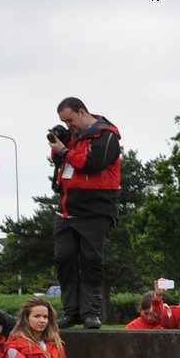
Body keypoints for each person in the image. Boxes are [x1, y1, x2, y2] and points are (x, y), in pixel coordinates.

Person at [49, 96, 122, 330]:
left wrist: (64, 151)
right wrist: (59, 148)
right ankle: (71, 312)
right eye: (64, 122)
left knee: (91, 261)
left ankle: (91, 312)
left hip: (95, 210)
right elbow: (62, 163)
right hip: (67, 209)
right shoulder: (72, 137)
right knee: (65, 259)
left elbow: (93, 163)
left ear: (82, 112)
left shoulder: (107, 136)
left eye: (70, 120)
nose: (68, 125)